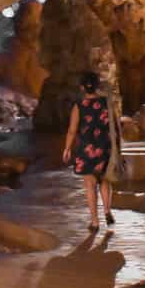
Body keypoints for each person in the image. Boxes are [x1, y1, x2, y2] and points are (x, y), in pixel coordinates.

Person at [62, 71, 116, 233]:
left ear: (82, 87)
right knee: (105, 180)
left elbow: (72, 130)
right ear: (97, 86)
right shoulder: (106, 103)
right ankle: (107, 210)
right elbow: (114, 125)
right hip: (105, 147)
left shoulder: (79, 106)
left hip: (87, 149)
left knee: (89, 184)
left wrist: (67, 148)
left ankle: (94, 222)